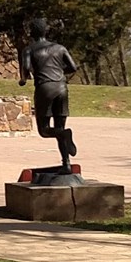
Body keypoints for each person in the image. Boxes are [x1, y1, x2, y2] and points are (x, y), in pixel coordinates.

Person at [19, 18, 80, 167]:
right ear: (46, 31)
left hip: (45, 88)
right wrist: (59, 72)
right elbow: (73, 67)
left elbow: (26, 68)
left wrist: (23, 79)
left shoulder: (29, 49)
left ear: (31, 32)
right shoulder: (60, 48)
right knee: (60, 126)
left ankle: (64, 135)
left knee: (45, 130)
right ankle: (66, 163)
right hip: (61, 88)